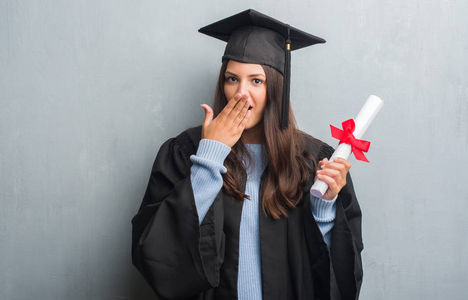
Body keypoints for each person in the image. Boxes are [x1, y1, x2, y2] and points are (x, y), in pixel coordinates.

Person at [132, 9, 363, 300]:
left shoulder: (311, 160)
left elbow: (338, 274)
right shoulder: (186, 151)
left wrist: (325, 207)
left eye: (256, 81)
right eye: (232, 79)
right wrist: (210, 157)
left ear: (276, 88)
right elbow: (155, 253)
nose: (241, 93)